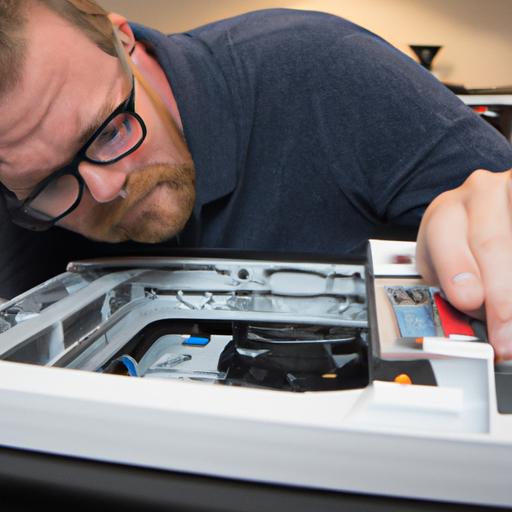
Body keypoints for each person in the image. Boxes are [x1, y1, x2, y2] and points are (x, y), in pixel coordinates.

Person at [1, 0, 512, 360]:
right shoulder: (16, 199)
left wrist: (479, 213)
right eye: (49, 185)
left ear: (123, 42)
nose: (105, 190)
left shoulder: (326, 69)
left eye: (110, 131)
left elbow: (495, 207)